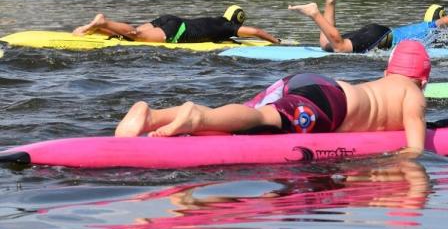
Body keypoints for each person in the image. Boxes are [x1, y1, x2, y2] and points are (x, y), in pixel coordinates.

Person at [114, 40, 431, 155]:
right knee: (265, 118)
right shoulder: (412, 93)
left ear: (390, 70)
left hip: (312, 83)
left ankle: (153, 116)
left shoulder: (385, 83)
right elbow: (415, 144)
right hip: (329, 105)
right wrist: (408, 160)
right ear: (423, 78)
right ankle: (196, 116)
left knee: (247, 119)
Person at [288, 0, 448, 54]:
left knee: (325, 43)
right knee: (340, 48)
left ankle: (330, 0)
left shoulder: (423, 29)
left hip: (377, 32)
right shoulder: (429, 29)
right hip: (381, 36)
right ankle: (314, 13)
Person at [72, 5, 280, 44]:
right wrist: (276, 41)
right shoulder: (227, 27)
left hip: (171, 19)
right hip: (177, 31)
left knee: (130, 34)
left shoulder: (217, 20)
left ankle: (98, 27)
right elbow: (255, 31)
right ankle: (103, 21)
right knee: (137, 35)